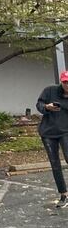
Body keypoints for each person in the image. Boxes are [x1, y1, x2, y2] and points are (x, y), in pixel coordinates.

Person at [36, 71, 68, 208]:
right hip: (48, 132)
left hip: (66, 131)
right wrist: (46, 107)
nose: (67, 85)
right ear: (61, 81)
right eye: (65, 82)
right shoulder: (50, 90)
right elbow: (39, 104)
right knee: (55, 164)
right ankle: (63, 194)